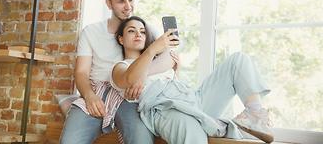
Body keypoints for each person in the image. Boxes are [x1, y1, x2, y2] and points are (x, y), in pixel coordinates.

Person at [110, 16, 275, 144]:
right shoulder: (120, 66)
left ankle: (254, 114)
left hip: (194, 98)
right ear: (121, 39)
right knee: (194, 137)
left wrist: (146, 74)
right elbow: (130, 78)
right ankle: (206, 125)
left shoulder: (157, 59)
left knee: (238, 60)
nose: (139, 33)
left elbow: (170, 55)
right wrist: (152, 50)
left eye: (143, 31)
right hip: (166, 109)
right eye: (132, 30)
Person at [60, 0, 176, 144]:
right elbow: (81, 72)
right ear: (109, 4)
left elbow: (171, 56)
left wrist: (142, 75)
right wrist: (89, 96)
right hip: (97, 93)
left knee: (141, 139)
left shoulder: (143, 29)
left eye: (131, 0)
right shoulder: (91, 31)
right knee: (69, 141)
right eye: (121, 1)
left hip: (130, 96)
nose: (128, 6)